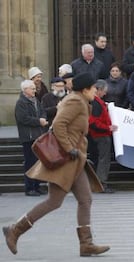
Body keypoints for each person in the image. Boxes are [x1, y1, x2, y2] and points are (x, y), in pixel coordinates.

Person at [3, 72, 110, 257]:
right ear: (85, 89)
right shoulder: (75, 101)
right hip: (65, 159)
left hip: (76, 160)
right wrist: (69, 148)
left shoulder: (82, 101)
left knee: (85, 199)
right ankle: (15, 230)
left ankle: (86, 244)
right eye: (94, 88)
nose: (96, 91)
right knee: (54, 202)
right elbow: (58, 125)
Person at [15, 80, 49, 196]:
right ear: (25, 90)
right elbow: (23, 118)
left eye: (35, 88)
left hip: (38, 136)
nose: (35, 90)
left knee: (38, 162)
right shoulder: (21, 102)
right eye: (32, 89)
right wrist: (38, 121)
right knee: (30, 163)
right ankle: (29, 188)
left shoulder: (36, 100)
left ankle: (37, 186)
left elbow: (42, 111)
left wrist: (43, 118)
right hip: (28, 137)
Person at [89, 79, 118, 193]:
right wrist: (108, 128)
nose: (105, 93)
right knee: (103, 160)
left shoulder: (97, 102)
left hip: (99, 135)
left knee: (101, 159)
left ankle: (99, 183)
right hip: (101, 135)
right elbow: (93, 122)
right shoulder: (96, 103)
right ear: (99, 90)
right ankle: (101, 183)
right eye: (104, 91)